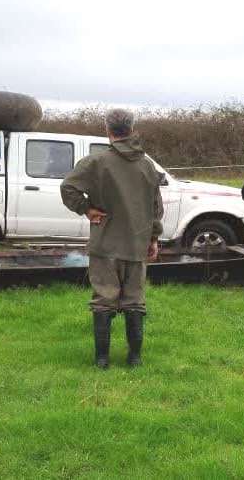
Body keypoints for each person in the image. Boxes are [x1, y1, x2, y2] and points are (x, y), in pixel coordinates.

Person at [60, 109, 163, 368]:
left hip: (105, 245)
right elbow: (156, 208)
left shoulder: (95, 162)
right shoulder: (147, 165)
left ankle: (102, 360)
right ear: (132, 129)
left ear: (108, 130)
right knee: (135, 302)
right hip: (137, 245)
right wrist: (153, 238)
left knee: (103, 301)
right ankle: (135, 359)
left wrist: (86, 209)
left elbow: (68, 187)